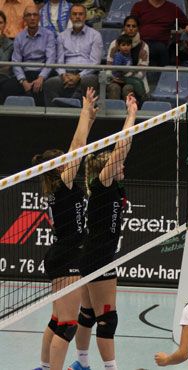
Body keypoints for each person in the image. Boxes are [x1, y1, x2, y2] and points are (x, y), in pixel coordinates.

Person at [67, 93, 137, 370]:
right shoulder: (102, 185)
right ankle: (111, 368)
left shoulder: (110, 185)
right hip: (98, 256)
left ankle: (82, 364)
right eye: (117, 163)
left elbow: (122, 151)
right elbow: (121, 149)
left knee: (87, 314)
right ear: (105, 170)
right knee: (108, 318)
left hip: (92, 253)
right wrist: (131, 115)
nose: (122, 164)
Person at [31, 88, 98, 370]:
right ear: (59, 168)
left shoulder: (59, 186)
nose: (70, 160)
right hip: (67, 256)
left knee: (58, 319)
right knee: (68, 324)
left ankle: (45, 367)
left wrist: (91, 116)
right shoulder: (63, 183)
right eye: (64, 160)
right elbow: (78, 144)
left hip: (63, 253)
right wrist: (84, 111)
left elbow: (78, 146)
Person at [43, 3, 102, 107]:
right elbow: (59, 61)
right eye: (74, 14)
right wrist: (63, 75)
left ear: (85, 16)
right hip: (67, 73)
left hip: (87, 73)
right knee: (49, 84)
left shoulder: (95, 35)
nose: (77, 17)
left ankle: (72, 105)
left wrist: (79, 76)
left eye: (81, 14)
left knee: (87, 81)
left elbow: (95, 63)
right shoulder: (62, 36)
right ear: (70, 17)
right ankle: (55, 115)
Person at [0, 5, 55, 106]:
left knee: (43, 87)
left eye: (35, 15)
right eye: (29, 15)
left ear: (39, 17)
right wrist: (23, 81)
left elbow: (51, 59)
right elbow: (16, 62)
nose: (32, 18)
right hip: (25, 73)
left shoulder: (49, 35)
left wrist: (41, 78)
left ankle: (42, 120)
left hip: (42, 72)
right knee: (6, 87)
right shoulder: (19, 37)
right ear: (24, 19)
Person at [130, 0, 188, 67]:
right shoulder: (138, 6)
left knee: (159, 49)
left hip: (161, 45)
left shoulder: (173, 8)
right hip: (140, 43)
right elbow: (130, 25)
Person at [106, 15, 149, 101]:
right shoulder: (114, 44)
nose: (131, 28)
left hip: (135, 79)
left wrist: (126, 79)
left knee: (127, 89)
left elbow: (142, 71)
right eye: (128, 26)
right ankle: (114, 113)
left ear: (138, 28)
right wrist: (115, 78)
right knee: (114, 88)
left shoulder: (144, 46)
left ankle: (131, 112)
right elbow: (109, 66)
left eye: (134, 26)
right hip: (115, 79)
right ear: (124, 27)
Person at [0, 10, 13, 85]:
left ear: (5, 25)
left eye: (0, 23)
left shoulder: (11, 44)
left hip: (3, 78)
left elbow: (8, 67)